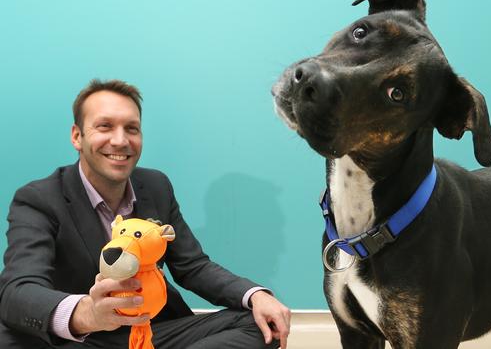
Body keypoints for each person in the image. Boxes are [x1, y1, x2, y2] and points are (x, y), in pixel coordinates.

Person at [0, 79, 291, 349]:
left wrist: (255, 295)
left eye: (131, 128)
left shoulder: (156, 186)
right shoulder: (38, 198)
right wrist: (87, 313)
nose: (120, 140)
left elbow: (193, 267)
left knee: (262, 325)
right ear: (77, 136)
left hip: (148, 333)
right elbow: (18, 290)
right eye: (104, 126)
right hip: (80, 340)